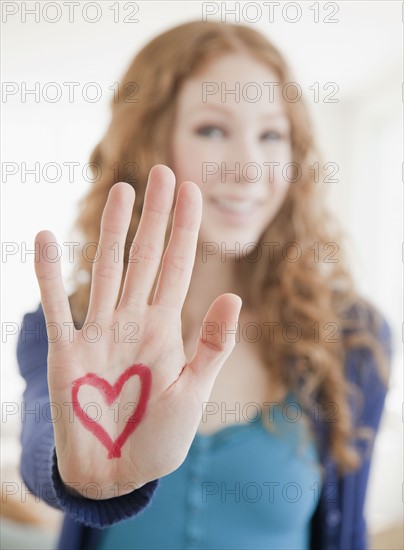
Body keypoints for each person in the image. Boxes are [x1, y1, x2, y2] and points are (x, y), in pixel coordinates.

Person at [17, 20, 392, 550]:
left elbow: (346, 531)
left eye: (271, 134)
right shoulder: (68, 325)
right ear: (150, 144)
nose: (248, 167)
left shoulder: (355, 335)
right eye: (212, 129)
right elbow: (42, 444)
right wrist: (82, 476)